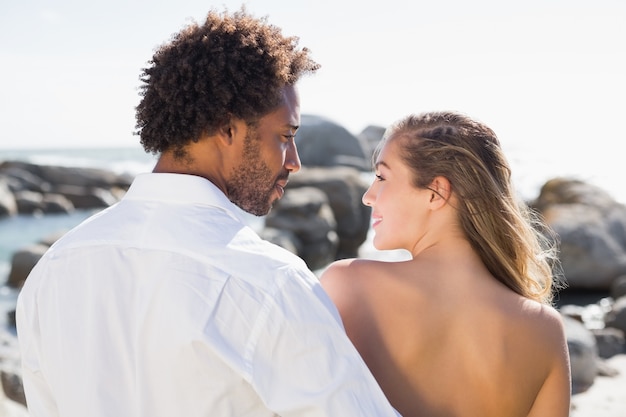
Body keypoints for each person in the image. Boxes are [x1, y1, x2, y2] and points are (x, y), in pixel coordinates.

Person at [15, 8, 401, 417]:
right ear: (227, 128)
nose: (295, 161)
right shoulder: (269, 284)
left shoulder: (52, 270)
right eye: (286, 136)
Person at [320, 111, 572, 417]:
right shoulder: (544, 329)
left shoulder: (349, 285)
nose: (368, 197)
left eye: (382, 177)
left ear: (436, 192)